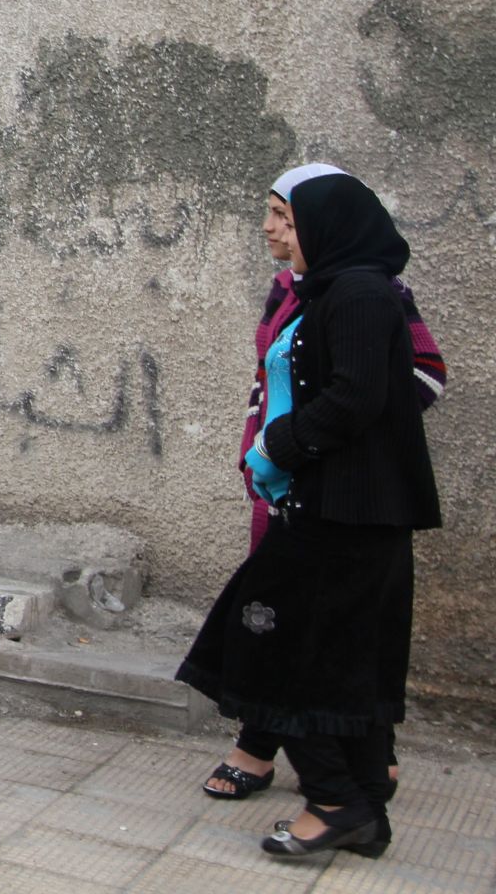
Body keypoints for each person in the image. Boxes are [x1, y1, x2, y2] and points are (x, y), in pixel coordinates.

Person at [177, 172, 442, 862]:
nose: (270, 229)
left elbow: (358, 398)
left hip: (344, 510)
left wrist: (279, 445)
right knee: (325, 651)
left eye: (283, 217)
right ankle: (360, 808)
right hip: (327, 506)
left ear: (326, 225)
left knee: (271, 648)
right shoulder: (330, 289)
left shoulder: (357, 293)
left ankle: (335, 799)